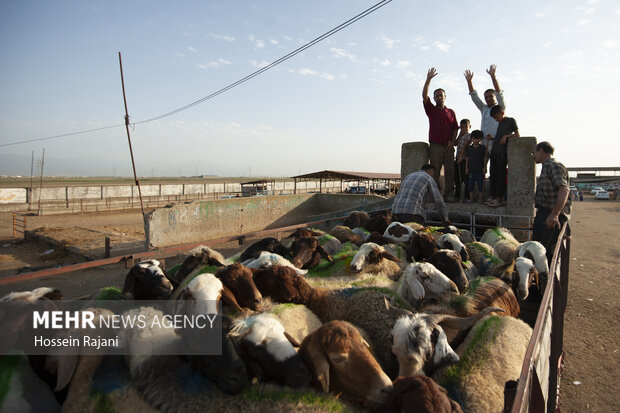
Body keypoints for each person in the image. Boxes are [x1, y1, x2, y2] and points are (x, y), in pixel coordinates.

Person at [422, 68, 459, 202]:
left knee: (450, 172)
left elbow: (455, 128)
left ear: (445, 96)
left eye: (440, 95)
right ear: (434, 98)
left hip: (448, 146)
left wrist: (452, 141)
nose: (438, 97)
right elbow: (424, 96)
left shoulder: (451, 112)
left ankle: (449, 195)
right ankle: (435, 195)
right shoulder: (431, 110)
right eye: (436, 95)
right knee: (435, 172)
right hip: (435, 146)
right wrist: (428, 79)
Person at [532, 141, 571, 265]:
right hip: (544, 214)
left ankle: (546, 281)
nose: (533, 155)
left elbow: (564, 189)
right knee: (537, 251)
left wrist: (554, 214)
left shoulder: (554, 166)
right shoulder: (546, 167)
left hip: (551, 217)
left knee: (547, 255)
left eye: (534, 152)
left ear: (541, 151)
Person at [463, 64, 505, 156]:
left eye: (491, 96)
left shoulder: (501, 107)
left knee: (497, 169)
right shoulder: (484, 108)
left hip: (497, 144)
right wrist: (469, 81)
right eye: (486, 97)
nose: (488, 98)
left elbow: (499, 93)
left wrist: (493, 76)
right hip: (484, 145)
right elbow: (474, 97)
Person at [486, 105, 519, 207]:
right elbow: (499, 137)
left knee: (500, 175)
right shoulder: (499, 124)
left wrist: (506, 136)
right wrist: (492, 138)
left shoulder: (510, 121)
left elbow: (517, 134)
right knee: (493, 174)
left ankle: (499, 198)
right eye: (494, 118)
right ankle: (493, 196)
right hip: (494, 151)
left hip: (502, 152)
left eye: (497, 117)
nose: (496, 119)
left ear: (502, 113)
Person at [459, 130, 487, 203]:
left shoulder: (483, 148)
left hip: (480, 170)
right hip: (471, 170)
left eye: (478, 138)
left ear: (481, 139)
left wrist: (485, 167)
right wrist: (466, 168)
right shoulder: (469, 148)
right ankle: (471, 198)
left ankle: (480, 198)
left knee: (481, 184)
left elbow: (485, 158)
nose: (476, 140)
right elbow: (467, 158)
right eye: (474, 138)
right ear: (471, 139)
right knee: (470, 184)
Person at [454, 119, 471, 202]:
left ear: (469, 127)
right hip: (457, 158)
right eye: (462, 127)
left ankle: (466, 196)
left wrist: (460, 157)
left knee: (465, 177)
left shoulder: (469, 136)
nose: (464, 129)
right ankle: (457, 194)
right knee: (457, 177)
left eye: (466, 127)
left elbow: (465, 147)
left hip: (464, 159)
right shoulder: (461, 136)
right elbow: (455, 143)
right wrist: (459, 134)